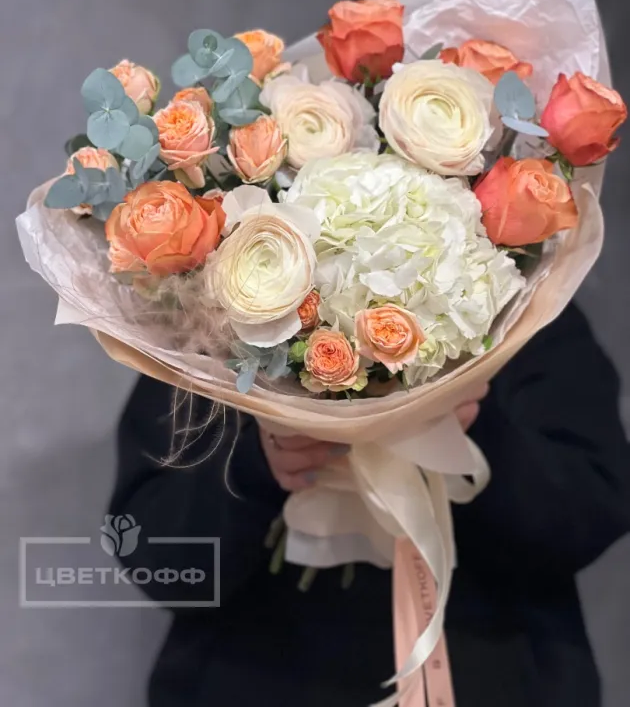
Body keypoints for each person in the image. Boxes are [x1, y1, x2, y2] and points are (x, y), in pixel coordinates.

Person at [109, 303, 630, 707]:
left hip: (498, 675)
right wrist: (258, 465)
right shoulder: (209, 325)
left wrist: (468, 427)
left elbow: (588, 513)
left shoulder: (522, 310)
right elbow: (162, 560)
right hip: (251, 679)